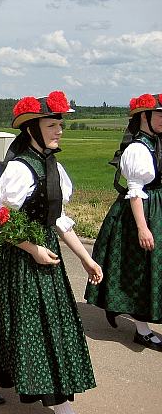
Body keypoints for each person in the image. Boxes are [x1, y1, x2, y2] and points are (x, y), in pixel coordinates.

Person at [0, 91, 103, 413]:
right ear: (32, 130)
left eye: (60, 125)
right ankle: (56, 404)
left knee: (32, 324)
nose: (59, 131)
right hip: (16, 257)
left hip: (44, 254)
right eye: (52, 125)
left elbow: (58, 221)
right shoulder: (18, 170)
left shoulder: (53, 167)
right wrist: (33, 249)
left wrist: (86, 258)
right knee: (23, 325)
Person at [85, 93, 162, 351]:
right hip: (141, 213)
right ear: (144, 117)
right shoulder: (138, 148)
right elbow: (136, 189)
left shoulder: (156, 142)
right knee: (142, 270)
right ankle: (142, 330)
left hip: (157, 209)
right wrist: (142, 227)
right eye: (160, 115)